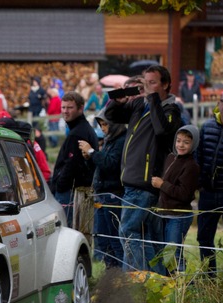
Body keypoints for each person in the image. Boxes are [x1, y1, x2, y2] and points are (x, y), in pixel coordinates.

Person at [105, 65, 182, 273]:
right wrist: (117, 100)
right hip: (131, 181)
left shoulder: (171, 109)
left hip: (145, 183)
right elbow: (111, 116)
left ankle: (134, 283)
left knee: (128, 231)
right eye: (145, 83)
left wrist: (154, 98)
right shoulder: (139, 104)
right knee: (145, 237)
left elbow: (162, 131)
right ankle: (155, 281)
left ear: (165, 84)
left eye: (152, 83)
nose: (147, 87)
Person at [78, 109, 126, 268]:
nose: (103, 128)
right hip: (102, 193)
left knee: (115, 238)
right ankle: (110, 274)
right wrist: (89, 158)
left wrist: (92, 151)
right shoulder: (109, 140)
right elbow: (101, 165)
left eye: (106, 124)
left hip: (113, 194)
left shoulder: (120, 141)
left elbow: (110, 165)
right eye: (101, 124)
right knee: (104, 239)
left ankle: (121, 276)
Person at [151, 125, 200, 273]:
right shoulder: (171, 157)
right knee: (164, 253)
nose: (181, 145)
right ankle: (168, 285)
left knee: (174, 254)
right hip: (164, 213)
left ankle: (184, 289)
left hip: (178, 216)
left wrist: (162, 184)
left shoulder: (192, 166)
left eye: (186, 142)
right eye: (178, 141)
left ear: (194, 144)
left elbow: (184, 194)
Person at [50, 91, 98, 232]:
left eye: (70, 108)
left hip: (70, 191)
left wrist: (60, 185)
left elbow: (72, 164)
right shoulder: (79, 129)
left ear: (80, 108)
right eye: (63, 107)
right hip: (74, 190)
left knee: (67, 231)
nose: (65, 111)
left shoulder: (78, 132)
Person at [196, 91, 223, 276]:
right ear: (219, 103)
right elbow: (198, 155)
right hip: (207, 192)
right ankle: (210, 278)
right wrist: (199, 182)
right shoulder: (207, 127)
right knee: (204, 237)